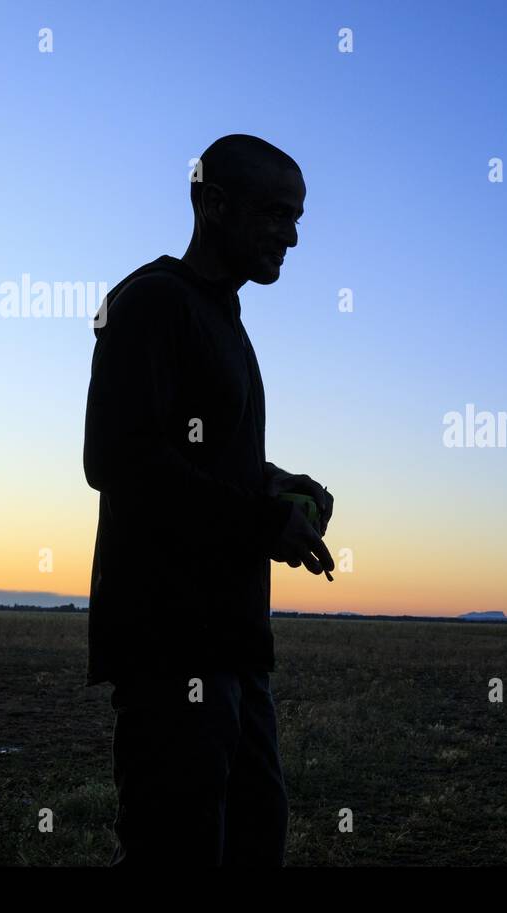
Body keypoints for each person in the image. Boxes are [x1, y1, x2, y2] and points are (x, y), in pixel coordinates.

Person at [82, 134, 335, 866]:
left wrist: (277, 484)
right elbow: (119, 460)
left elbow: (202, 458)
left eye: (298, 217)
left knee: (256, 836)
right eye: (276, 213)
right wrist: (262, 521)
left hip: (233, 644)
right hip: (170, 645)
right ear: (212, 203)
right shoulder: (152, 301)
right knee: (179, 849)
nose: (292, 235)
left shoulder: (227, 320)